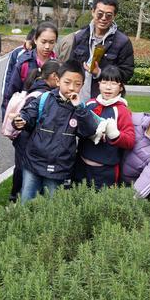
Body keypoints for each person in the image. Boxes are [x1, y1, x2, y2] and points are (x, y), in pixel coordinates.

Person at [12, 60, 98, 203]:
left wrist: (79, 108)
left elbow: (89, 131)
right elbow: (28, 114)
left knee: (53, 206)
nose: (72, 88)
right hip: (34, 162)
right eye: (67, 82)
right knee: (27, 202)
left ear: (82, 85)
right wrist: (21, 121)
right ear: (58, 81)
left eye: (77, 84)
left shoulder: (80, 108)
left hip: (60, 167)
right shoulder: (45, 98)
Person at [7, 60, 60, 203]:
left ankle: (16, 198)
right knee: (24, 174)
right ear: (54, 76)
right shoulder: (43, 94)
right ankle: (15, 199)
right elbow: (29, 117)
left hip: (24, 140)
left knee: (22, 170)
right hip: (27, 140)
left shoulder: (36, 87)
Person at [74, 65, 135, 190]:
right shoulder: (90, 104)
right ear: (99, 84)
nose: (108, 87)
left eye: (113, 83)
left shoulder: (122, 111)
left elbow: (130, 141)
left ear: (121, 87)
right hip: (81, 165)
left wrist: (115, 134)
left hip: (104, 172)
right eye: (104, 82)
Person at [68, 0, 134, 102]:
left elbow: (127, 73)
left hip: (105, 101)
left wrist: (100, 73)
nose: (103, 18)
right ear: (93, 11)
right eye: (100, 14)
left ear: (114, 16)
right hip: (79, 98)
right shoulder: (79, 37)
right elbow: (71, 66)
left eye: (108, 15)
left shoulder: (122, 42)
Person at [3, 21, 58, 112]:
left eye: (51, 42)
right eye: (43, 42)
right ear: (35, 40)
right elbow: (10, 94)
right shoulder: (24, 63)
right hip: (23, 115)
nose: (47, 46)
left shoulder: (58, 65)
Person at [0, 28, 35, 118]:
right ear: (26, 40)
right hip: (15, 92)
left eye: (33, 45)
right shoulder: (17, 52)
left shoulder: (38, 55)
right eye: (29, 44)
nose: (30, 48)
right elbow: (8, 73)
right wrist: (5, 94)